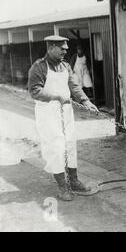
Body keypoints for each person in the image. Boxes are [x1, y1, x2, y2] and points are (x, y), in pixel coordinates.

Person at [28, 35, 98, 201]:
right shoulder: (39, 67)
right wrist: (56, 97)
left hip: (66, 111)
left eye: (66, 49)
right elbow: (35, 91)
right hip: (48, 113)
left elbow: (74, 85)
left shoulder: (66, 65)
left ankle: (74, 182)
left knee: (70, 144)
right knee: (56, 147)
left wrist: (86, 101)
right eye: (62, 49)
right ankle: (62, 187)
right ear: (51, 47)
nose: (65, 52)